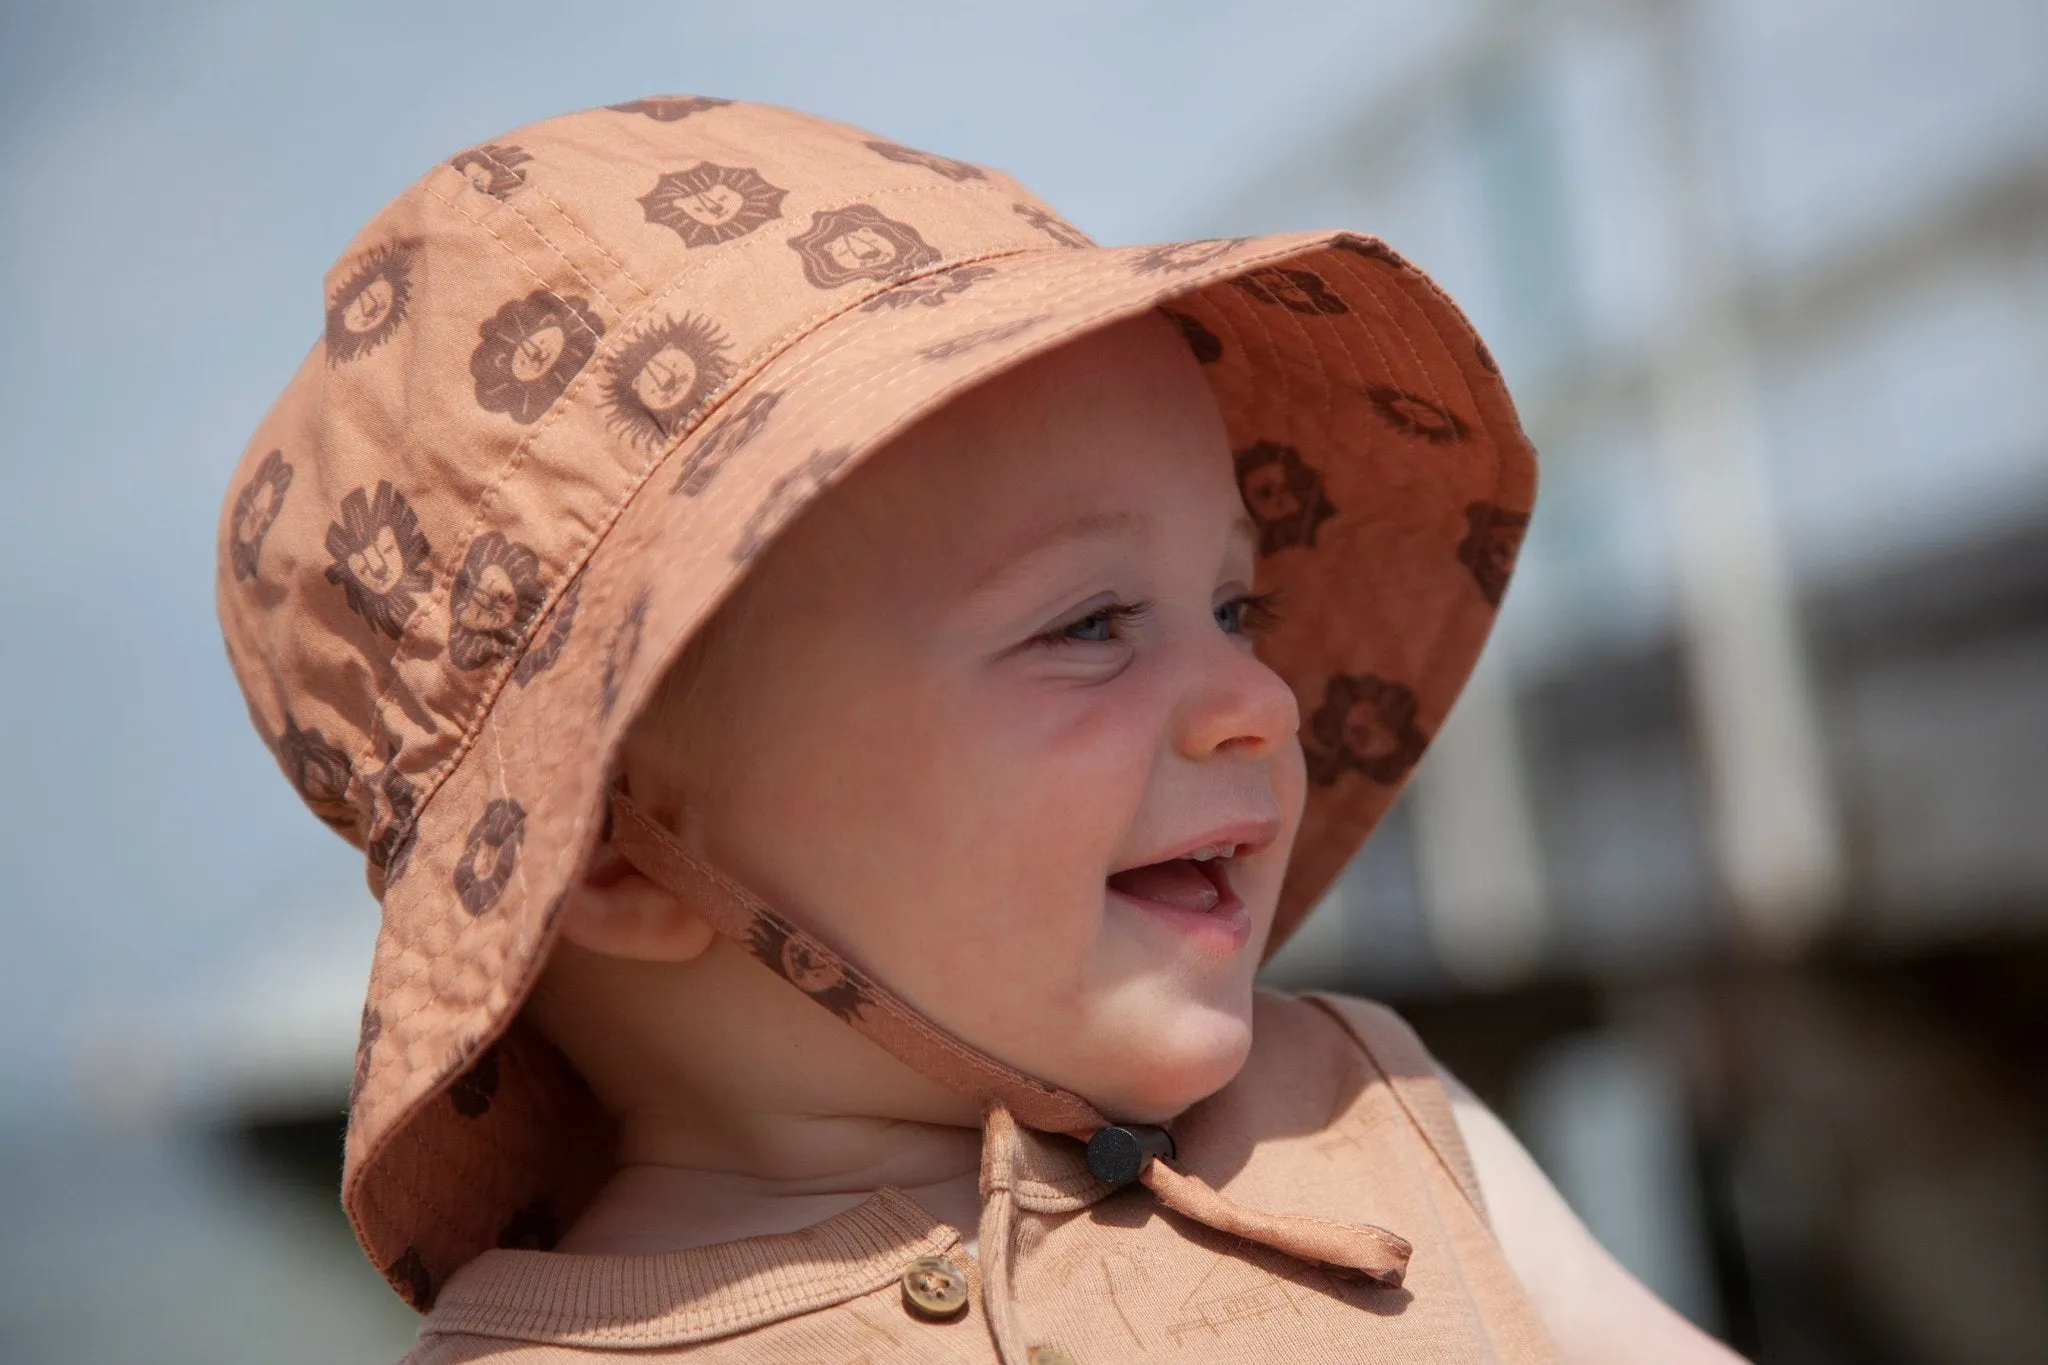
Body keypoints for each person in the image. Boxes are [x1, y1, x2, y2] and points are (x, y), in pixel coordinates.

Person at [216, 94, 1743, 1364]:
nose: (1259, 704)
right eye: (1087, 626)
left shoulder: (1364, 1108)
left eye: (1238, 609)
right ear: (611, 857)